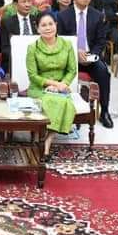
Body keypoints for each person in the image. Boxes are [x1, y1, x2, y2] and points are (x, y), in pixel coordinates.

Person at [57, 0, 113, 127]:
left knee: (103, 72)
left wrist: (91, 56)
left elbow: (101, 41)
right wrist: (75, 52)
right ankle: (65, 110)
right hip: (70, 57)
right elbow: (60, 40)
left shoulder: (98, 16)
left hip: (90, 57)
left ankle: (104, 111)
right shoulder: (63, 16)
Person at [26, 11, 78, 160]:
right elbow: (33, 75)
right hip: (39, 88)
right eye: (43, 25)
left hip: (61, 88)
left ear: (56, 25)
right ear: (38, 29)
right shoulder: (33, 48)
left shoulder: (67, 45)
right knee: (50, 100)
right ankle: (44, 142)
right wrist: (54, 84)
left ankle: (46, 142)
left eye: (50, 24)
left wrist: (62, 85)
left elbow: (72, 70)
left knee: (63, 101)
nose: (48, 28)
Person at [0, 0, 38, 74]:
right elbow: (4, 48)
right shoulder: (7, 22)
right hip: (15, 61)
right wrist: (20, 56)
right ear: (16, 5)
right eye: (24, 2)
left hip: (36, 61)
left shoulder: (37, 20)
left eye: (29, 1)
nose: (27, 4)